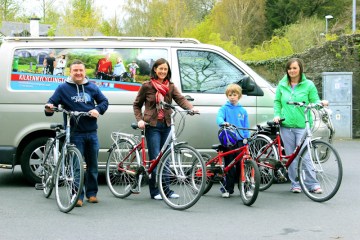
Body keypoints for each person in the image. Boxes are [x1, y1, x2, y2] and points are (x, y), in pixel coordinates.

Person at [44, 60, 109, 207]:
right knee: (77, 167)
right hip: (75, 133)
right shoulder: (62, 88)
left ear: (84, 72)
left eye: (81, 70)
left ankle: (92, 194)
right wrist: (49, 107)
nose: (78, 73)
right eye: (75, 71)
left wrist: (97, 110)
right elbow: (51, 103)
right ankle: (77, 196)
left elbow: (104, 102)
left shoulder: (92, 87)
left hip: (92, 132)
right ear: (70, 72)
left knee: (93, 166)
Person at [133, 58, 198, 200]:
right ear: (155, 69)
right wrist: (140, 120)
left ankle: (166, 191)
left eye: (165, 69)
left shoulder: (170, 86)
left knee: (167, 159)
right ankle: (155, 191)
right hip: (152, 126)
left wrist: (191, 108)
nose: (163, 71)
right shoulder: (147, 86)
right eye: (160, 68)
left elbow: (180, 99)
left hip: (167, 125)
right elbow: (137, 105)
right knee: (156, 159)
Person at [273, 58, 328, 194]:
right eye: (289, 68)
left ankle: (312, 184)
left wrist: (321, 103)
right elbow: (277, 102)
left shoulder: (308, 85)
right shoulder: (282, 84)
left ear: (300, 69)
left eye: (294, 68)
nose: (291, 71)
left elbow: (315, 101)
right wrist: (277, 114)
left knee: (306, 155)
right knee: (292, 156)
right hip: (286, 125)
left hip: (302, 125)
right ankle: (295, 183)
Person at [216, 83, 249, 198]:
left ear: (239, 96)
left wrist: (246, 138)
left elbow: (245, 126)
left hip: (240, 141)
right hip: (229, 140)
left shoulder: (243, 111)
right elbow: (219, 117)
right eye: (230, 95)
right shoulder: (224, 108)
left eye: (234, 95)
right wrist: (222, 122)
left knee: (241, 165)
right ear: (227, 96)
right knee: (229, 165)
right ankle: (227, 189)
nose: (232, 97)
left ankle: (244, 188)